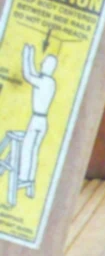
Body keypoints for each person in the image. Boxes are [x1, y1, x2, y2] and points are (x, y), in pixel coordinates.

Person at [19, 44, 57, 191]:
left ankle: (23, 178)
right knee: (33, 150)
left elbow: (28, 75)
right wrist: (31, 55)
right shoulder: (50, 81)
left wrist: (26, 55)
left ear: (49, 66)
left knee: (27, 148)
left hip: (36, 120)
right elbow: (33, 73)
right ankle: (29, 180)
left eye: (44, 62)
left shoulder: (44, 82)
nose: (41, 64)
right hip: (42, 121)